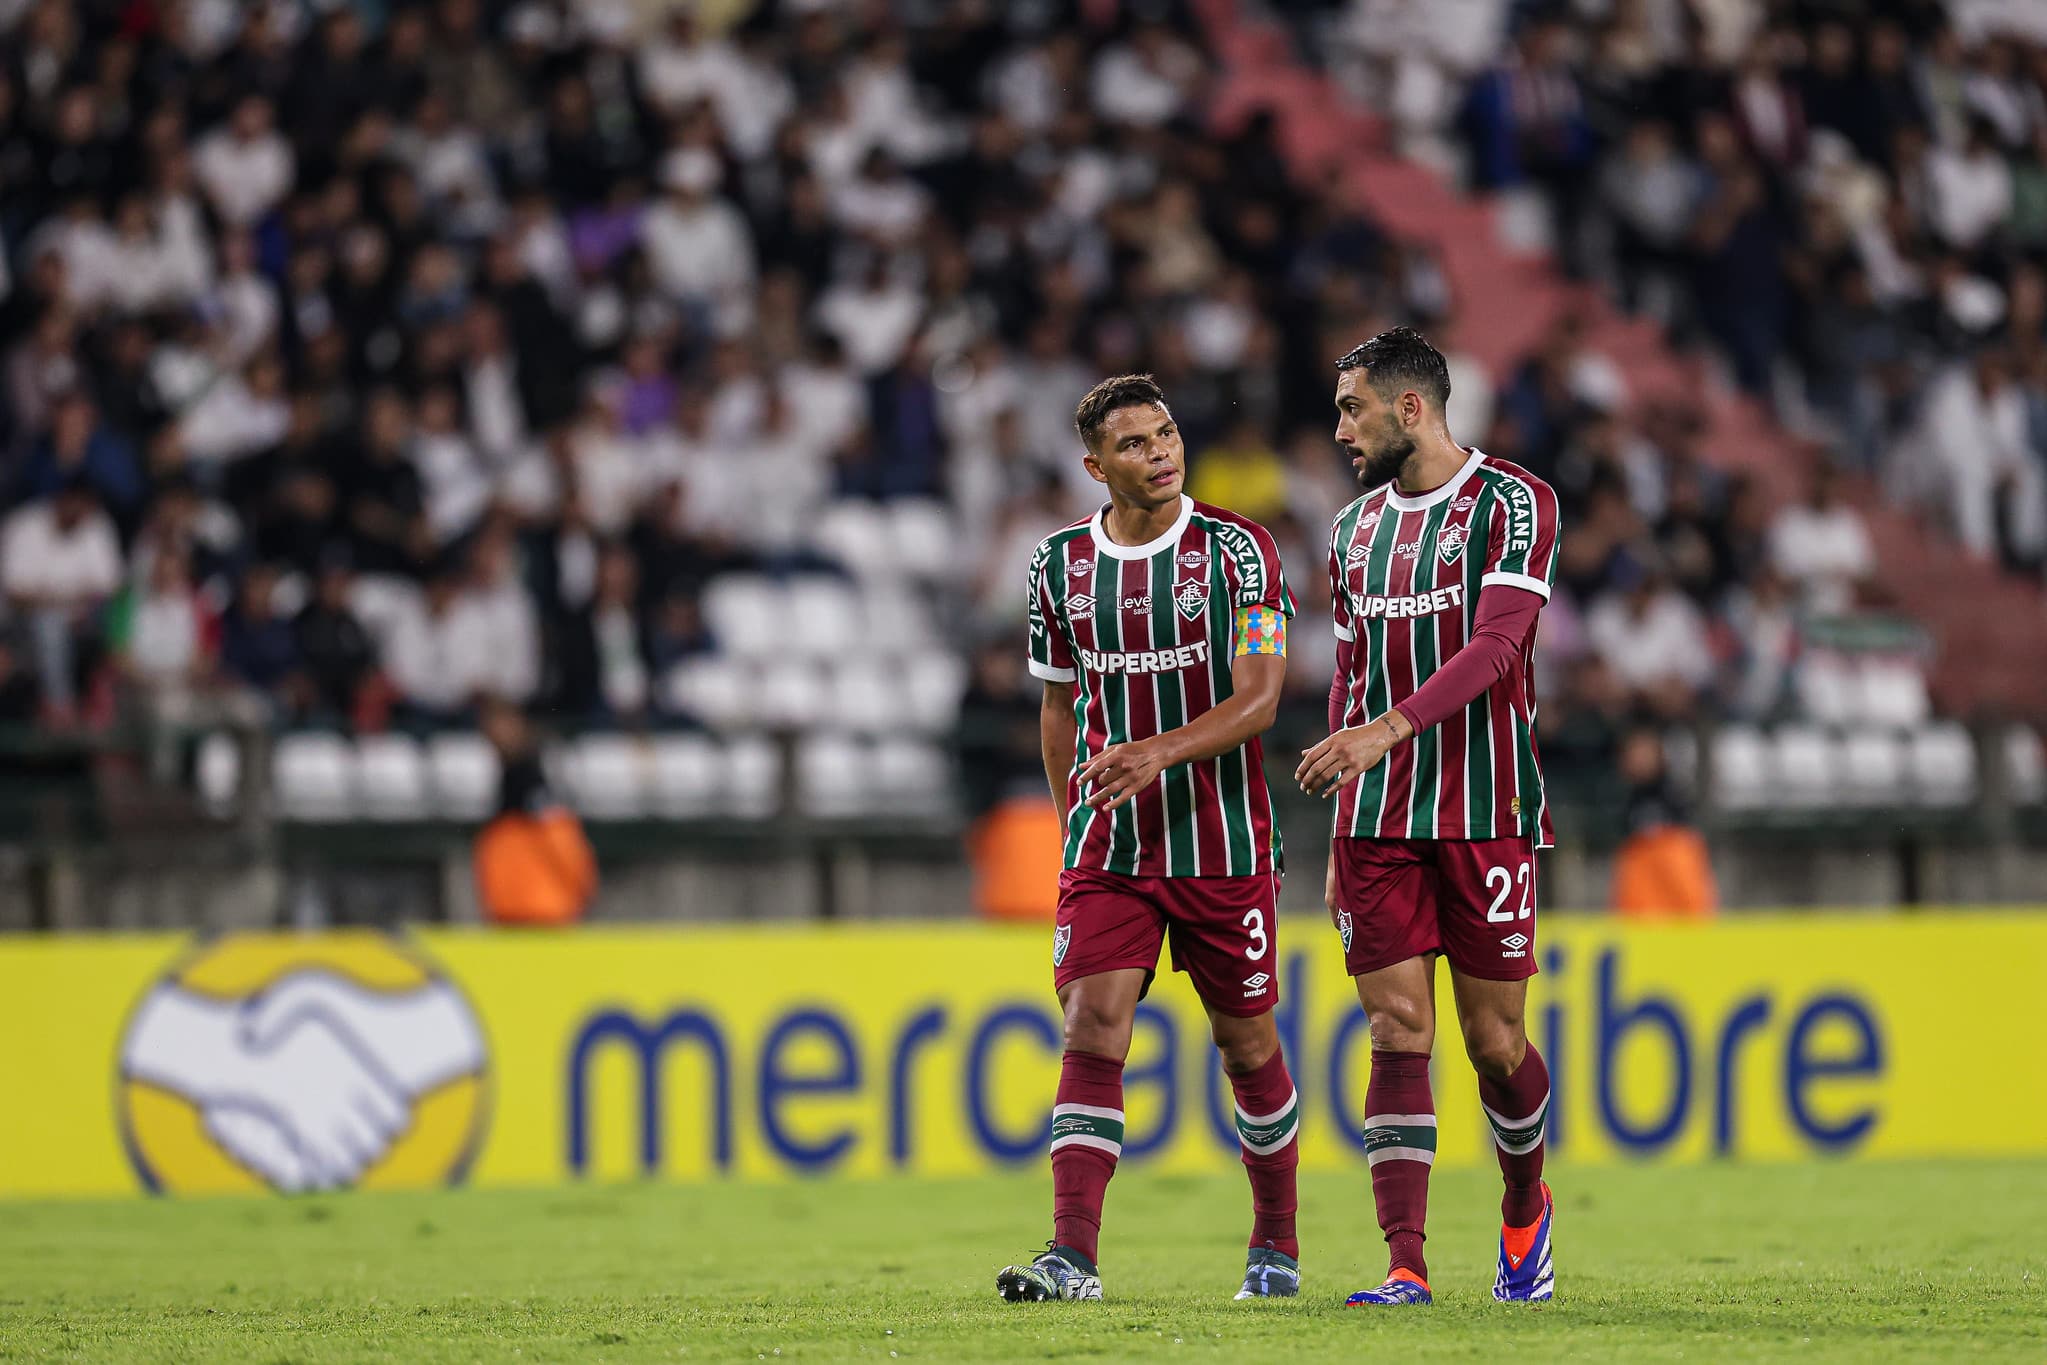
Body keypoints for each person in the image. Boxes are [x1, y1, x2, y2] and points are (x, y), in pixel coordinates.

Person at [996, 374, 1301, 1304]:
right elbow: (1057, 708)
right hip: (1110, 853)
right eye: (1134, 444)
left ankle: (1275, 1247)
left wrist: (1153, 755)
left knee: (1246, 1046)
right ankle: (1072, 1257)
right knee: (1091, 1025)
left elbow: (1259, 698)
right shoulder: (1055, 567)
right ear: (1096, 466)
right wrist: (1070, 825)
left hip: (1221, 844)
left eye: (1166, 433)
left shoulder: (1240, 550)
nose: (1160, 451)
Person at [1293, 327, 1562, 1307]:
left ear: (1411, 408)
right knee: (1396, 1029)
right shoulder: (1352, 532)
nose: (1339, 429)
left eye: (1351, 408)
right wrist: (1337, 820)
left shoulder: (1514, 502)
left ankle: (1524, 1208)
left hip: (1486, 809)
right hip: (1375, 822)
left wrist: (1387, 731)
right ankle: (1404, 1267)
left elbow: (1498, 648)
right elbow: (1350, 681)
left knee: (1494, 1044)